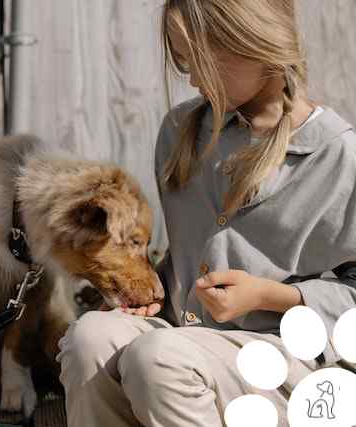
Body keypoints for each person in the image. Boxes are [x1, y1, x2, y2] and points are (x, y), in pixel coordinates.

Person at [57, 1, 356, 426]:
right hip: (183, 337)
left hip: (284, 361)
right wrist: (156, 286)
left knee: (159, 359)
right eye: (182, 61)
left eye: (198, 59)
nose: (192, 77)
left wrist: (271, 296)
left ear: (252, 41)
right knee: (90, 337)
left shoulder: (338, 156)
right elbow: (200, 251)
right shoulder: (180, 133)